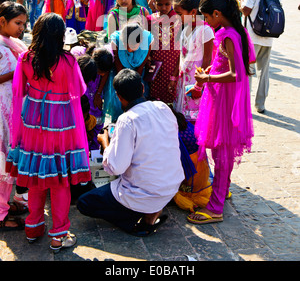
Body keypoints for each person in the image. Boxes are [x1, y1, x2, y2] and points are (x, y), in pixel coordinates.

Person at [6, 13, 91, 250]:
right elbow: (80, 91)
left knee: (35, 177)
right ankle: (58, 235)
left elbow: (19, 89)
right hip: (61, 123)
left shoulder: (25, 59)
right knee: (59, 180)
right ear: (60, 35)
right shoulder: (68, 61)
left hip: (33, 120)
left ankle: (33, 228)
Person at [77, 69, 184, 236]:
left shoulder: (127, 120)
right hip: (171, 186)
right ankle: (152, 211)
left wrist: (105, 142)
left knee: (84, 203)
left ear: (118, 96)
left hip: (145, 192)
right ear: (142, 88)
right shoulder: (162, 107)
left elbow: (115, 167)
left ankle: (137, 218)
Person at [187, 0, 255, 225]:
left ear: (217, 14)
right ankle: (222, 189)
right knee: (220, 148)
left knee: (222, 150)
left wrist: (208, 80)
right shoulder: (234, 31)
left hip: (225, 98)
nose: (206, 22)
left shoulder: (228, 34)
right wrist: (210, 72)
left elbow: (236, 74)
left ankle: (215, 207)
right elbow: (230, 63)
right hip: (223, 94)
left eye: (207, 17)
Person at [0, 2, 28, 231]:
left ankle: (7, 203)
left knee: (10, 159)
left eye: (23, 24)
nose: (21, 28)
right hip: (2, 112)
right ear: (2, 21)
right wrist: (19, 70)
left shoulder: (13, 42)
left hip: (13, 110)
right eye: (17, 23)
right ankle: (1, 215)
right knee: (3, 162)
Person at [241, 0, 281, 113]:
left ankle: (245, 105)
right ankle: (260, 104)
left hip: (252, 36)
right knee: (264, 73)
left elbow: (246, 11)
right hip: (268, 37)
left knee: (248, 71)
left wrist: (241, 0)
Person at [173, 0, 214, 122]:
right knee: (181, 114)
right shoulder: (186, 29)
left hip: (195, 82)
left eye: (180, 14)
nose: (178, 18)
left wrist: (198, 86)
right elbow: (181, 56)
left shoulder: (206, 31)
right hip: (183, 79)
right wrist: (174, 77)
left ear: (193, 12)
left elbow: (207, 60)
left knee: (195, 117)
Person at [171, 107, 212, 213]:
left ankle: (189, 202)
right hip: (202, 165)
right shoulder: (184, 121)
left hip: (192, 170)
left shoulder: (174, 132)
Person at [147, 0, 182, 104]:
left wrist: (174, 74)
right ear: (154, 3)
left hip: (173, 66)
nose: (163, 8)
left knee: (172, 100)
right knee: (155, 100)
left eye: (167, 4)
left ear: (172, 2)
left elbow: (183, 47)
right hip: (155, 66)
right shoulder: (150, 19)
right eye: (159, 4)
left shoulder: (179, 19)